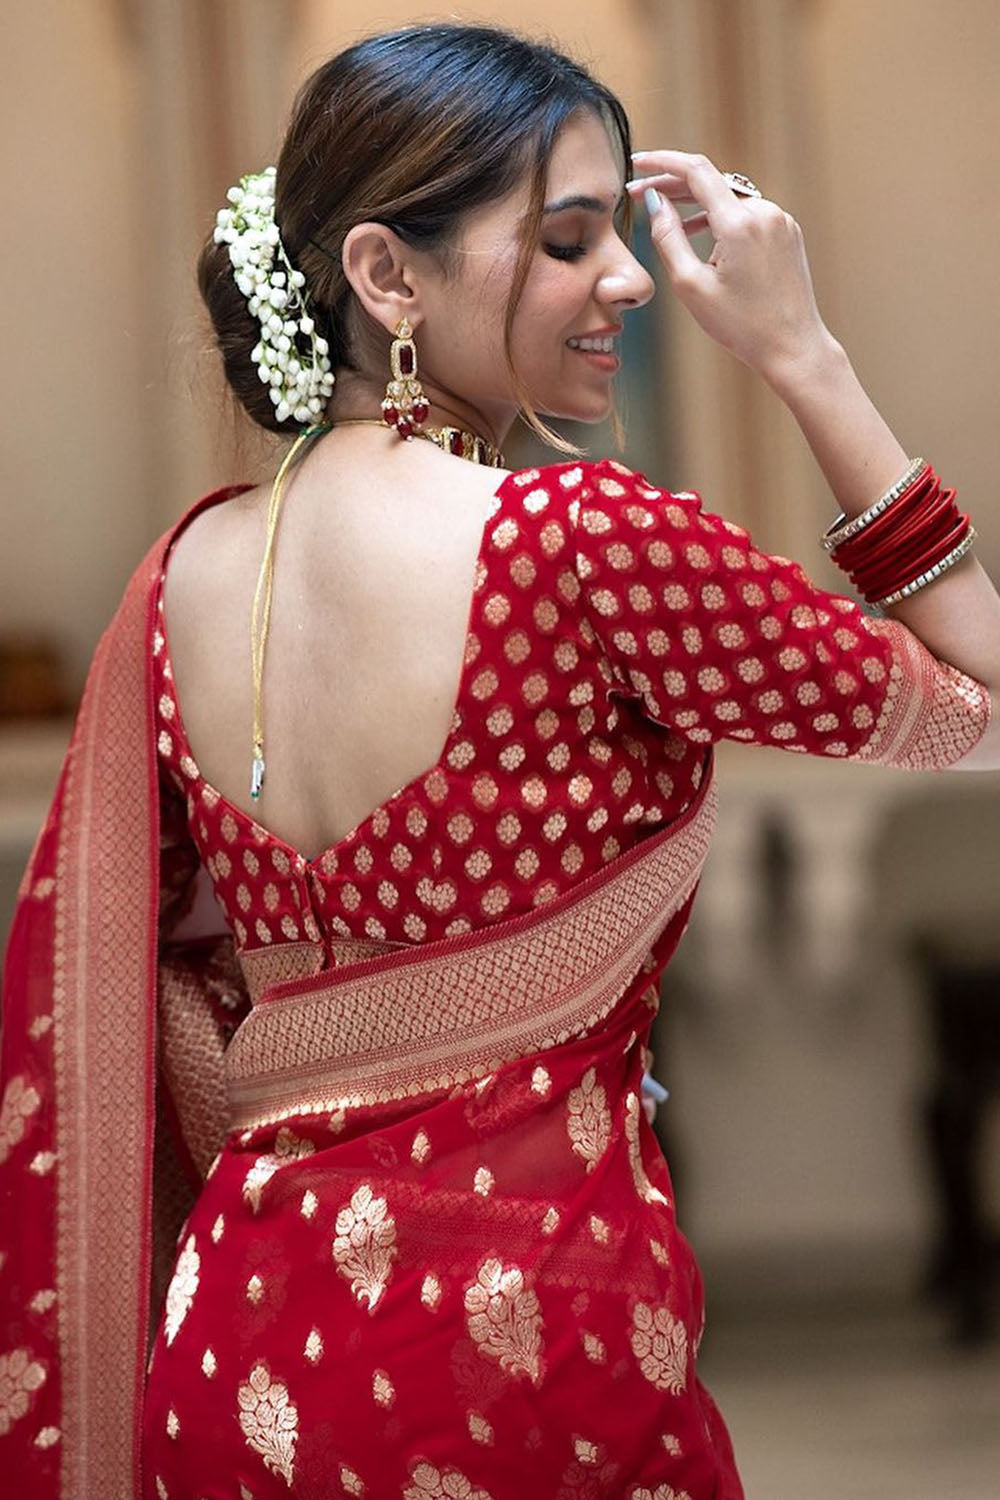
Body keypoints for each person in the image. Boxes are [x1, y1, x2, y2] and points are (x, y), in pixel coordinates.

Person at [1, 21, 997, 1499]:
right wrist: (804, 354)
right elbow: (979, 704)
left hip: (238, 1348)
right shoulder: (588, 544)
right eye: (569, 241)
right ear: (387, 276)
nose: (633, 284)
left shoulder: (185, 575)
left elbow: (175, 989)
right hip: (526, 1344)